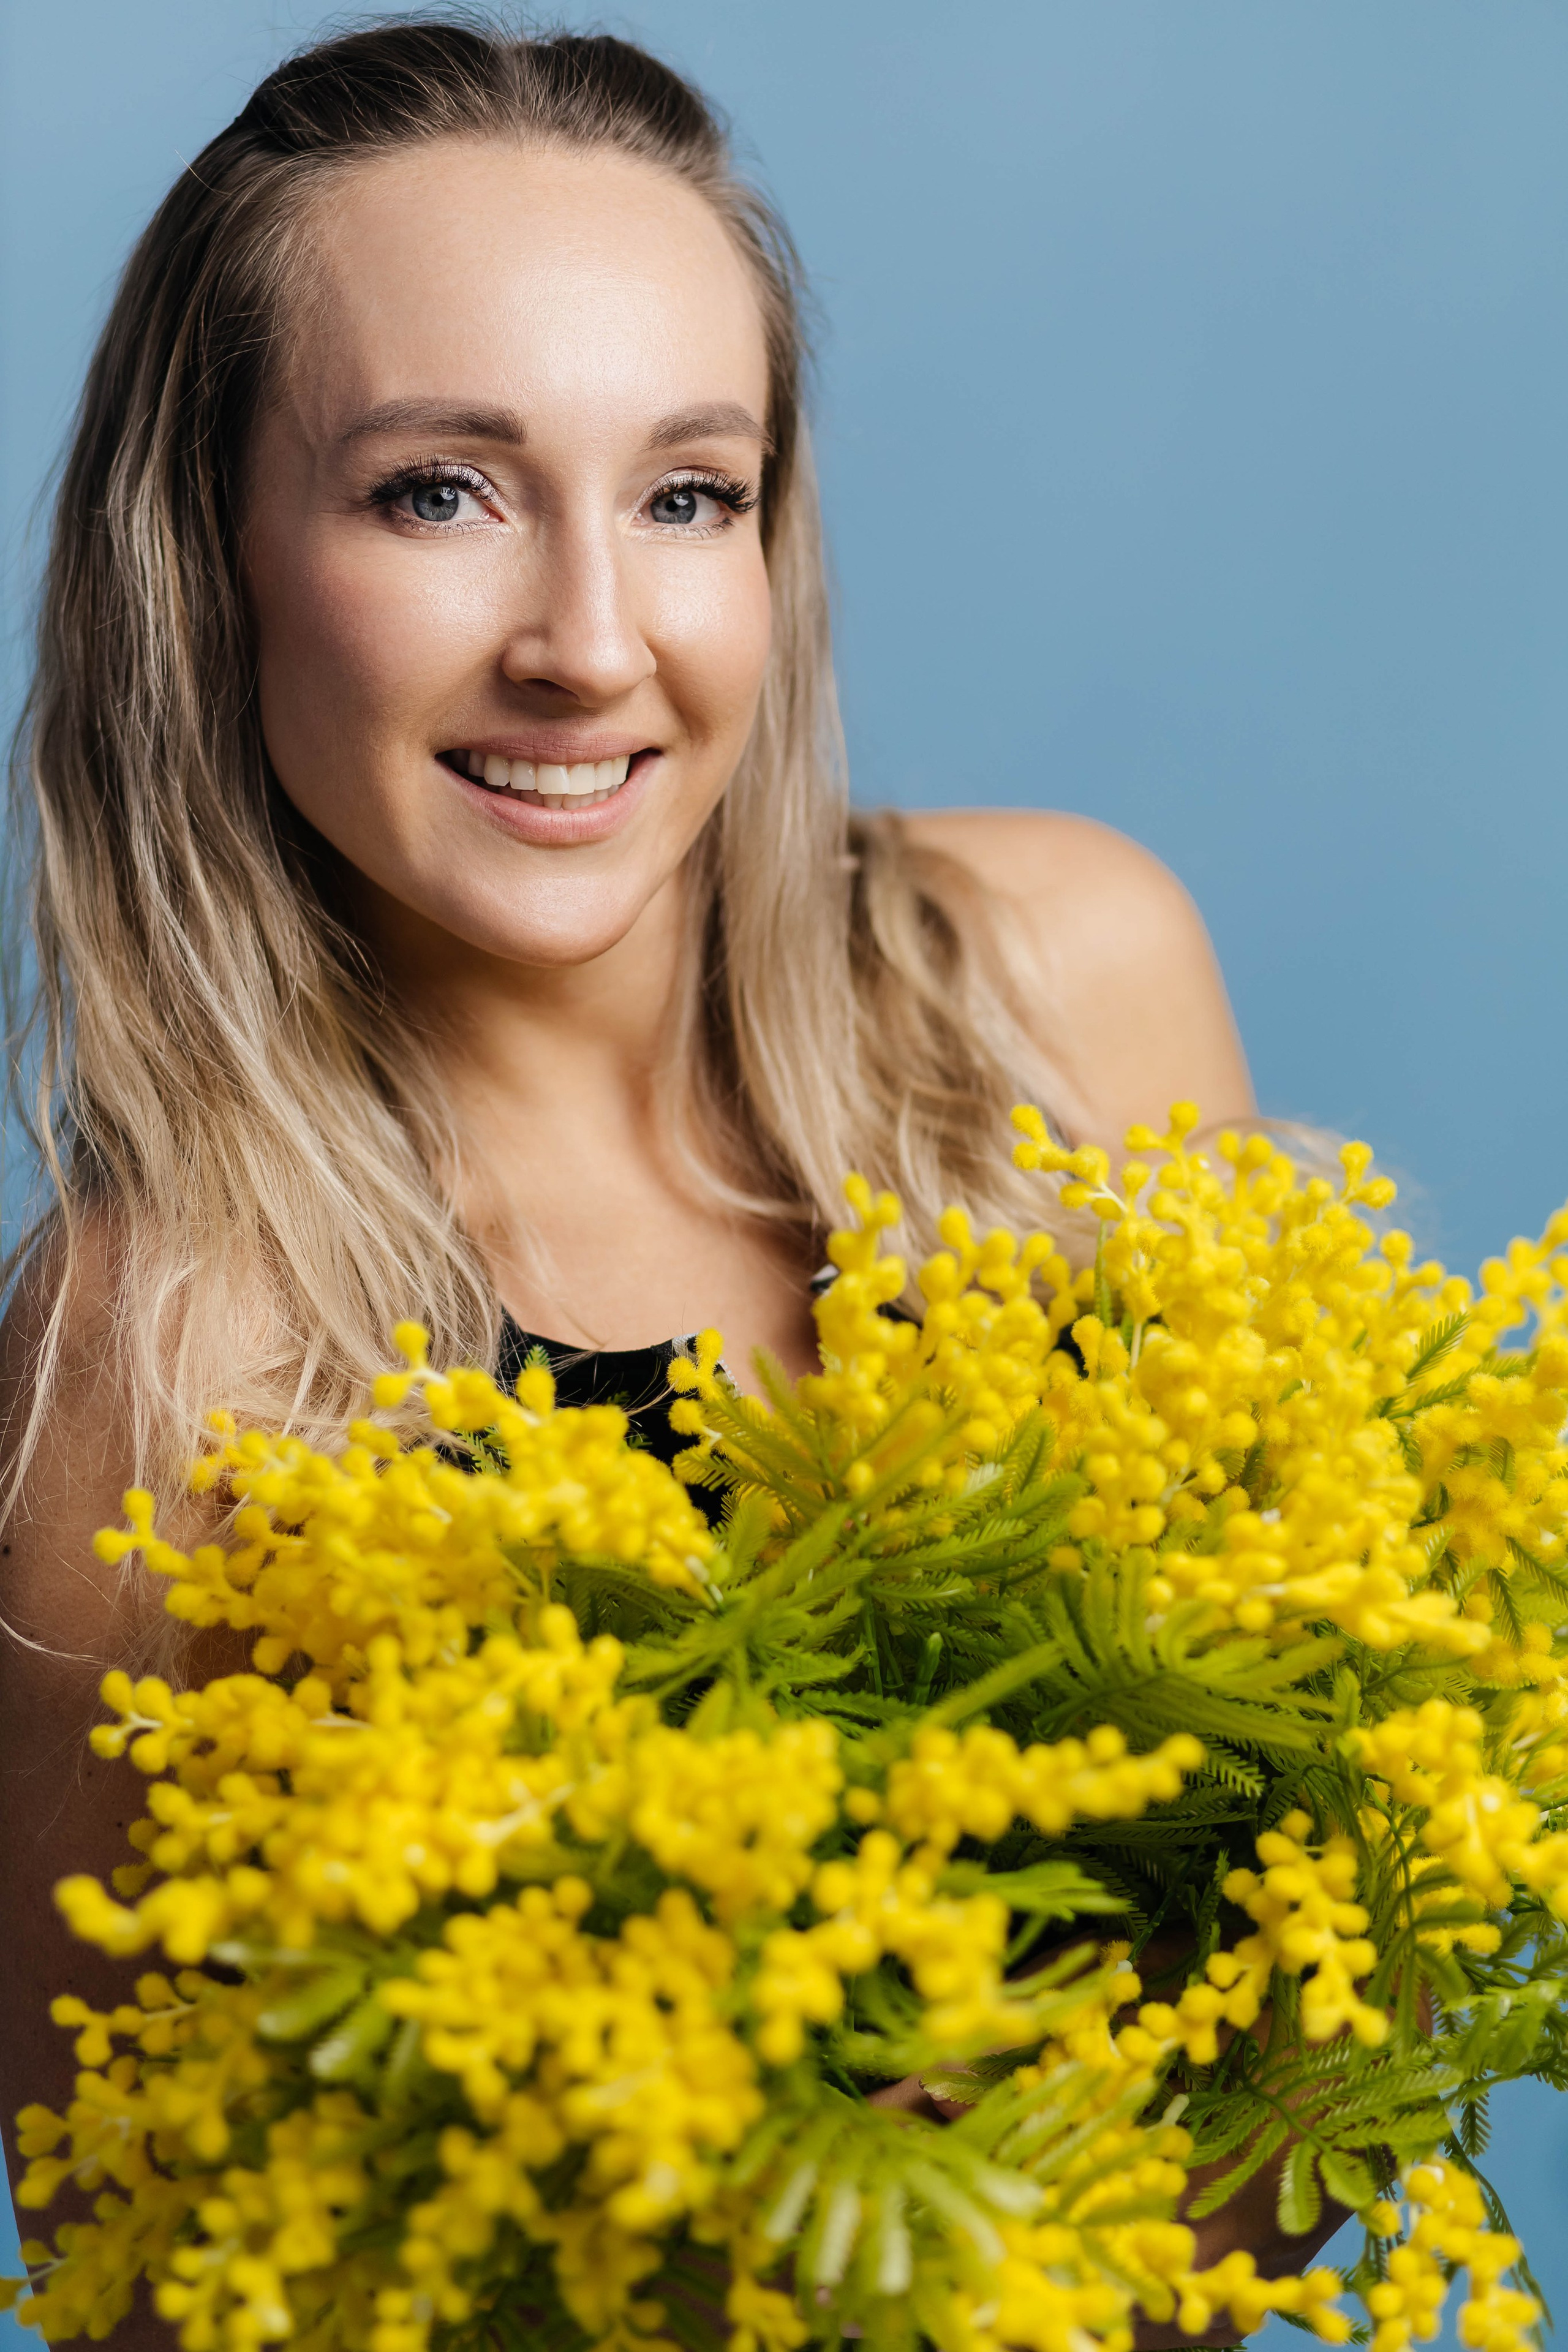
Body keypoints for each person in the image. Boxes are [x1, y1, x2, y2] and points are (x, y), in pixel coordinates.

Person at [0, 23, 1276, 2343]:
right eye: (439, 494)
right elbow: (136, 2274)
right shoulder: (169, 1356)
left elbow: (1322, 2034)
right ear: (211, 559)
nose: (593, 645)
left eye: (689, 494)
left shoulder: (1072, 986)